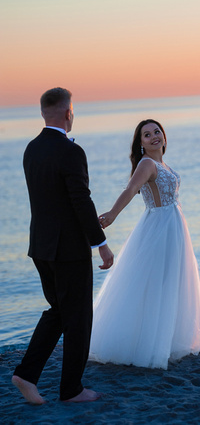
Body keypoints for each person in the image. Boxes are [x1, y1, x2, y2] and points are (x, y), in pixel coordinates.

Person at [12, 87, 114, 404]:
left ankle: (26, 375)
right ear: (68, 113)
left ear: (45, 112)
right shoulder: (71, 151)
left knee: (58, 312)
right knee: (79, 318)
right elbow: (80, 201)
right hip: (68, 250)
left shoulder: (31, 149)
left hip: (40, 247)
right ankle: (71, 390)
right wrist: (102, 244)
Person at [89, 119, 200, 369]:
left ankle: (167, 338)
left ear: (163, 135)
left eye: (156, 132)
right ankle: (144, 342)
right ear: (140, 143)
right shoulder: (147, 163)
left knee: (171, 281)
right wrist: (112, 214)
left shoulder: (163, 163)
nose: (154, 136)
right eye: (146, 135)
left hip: (174, 226)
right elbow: (131, 190)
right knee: (153, 282)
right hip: (159, 228)